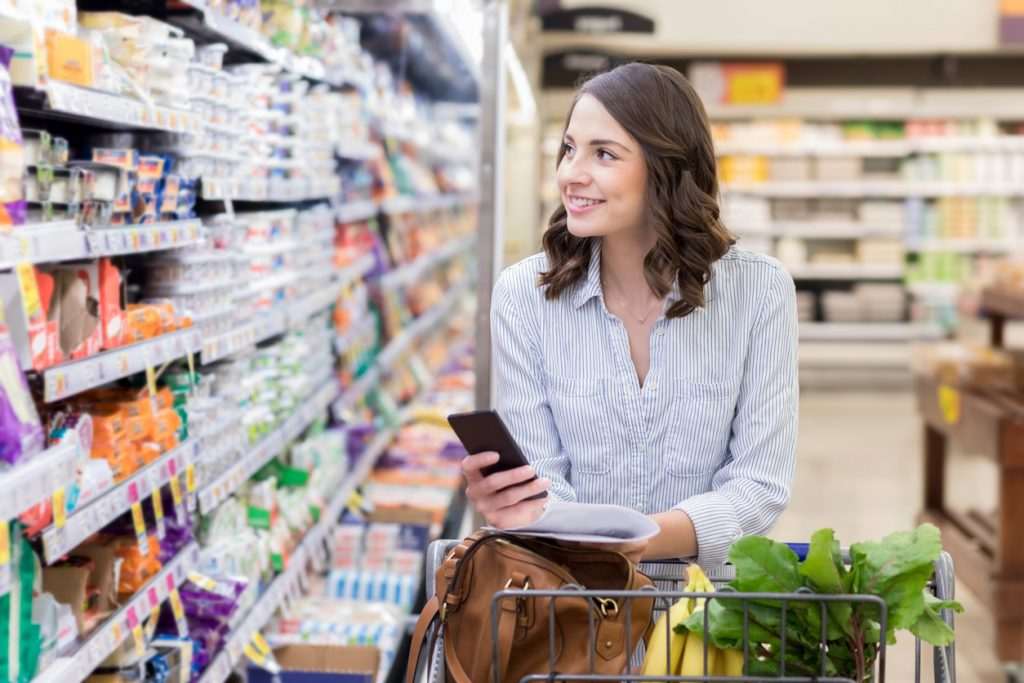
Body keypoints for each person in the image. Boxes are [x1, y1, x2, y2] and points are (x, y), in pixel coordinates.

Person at [462, 63, 798, 568]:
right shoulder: (524, 297)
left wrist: (642, 541)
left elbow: (759, 485)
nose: (571, 174)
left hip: (709, 618)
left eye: (604, 154)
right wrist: (515, 506)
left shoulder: (759, 292)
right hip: (567, 618)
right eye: (569, 149)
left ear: (666, 167)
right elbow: (539, 485)